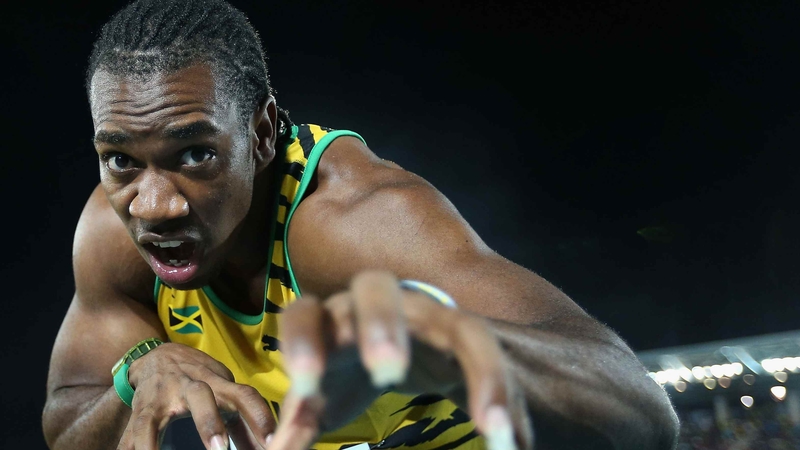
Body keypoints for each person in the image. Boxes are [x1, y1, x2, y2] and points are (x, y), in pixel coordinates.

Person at [41, 0, 680, 449]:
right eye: (120, 159)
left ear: (262, 135)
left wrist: (453, 346)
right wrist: (138, 371)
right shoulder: (112, 231)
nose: (154, 206)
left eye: (196, 154)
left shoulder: (355, 223)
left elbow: (645, 417)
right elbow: (69, 421)